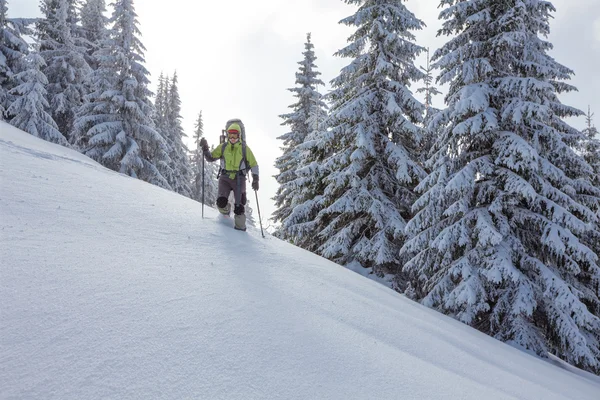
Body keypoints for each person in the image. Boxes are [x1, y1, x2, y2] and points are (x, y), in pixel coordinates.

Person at [200, 120, 259, 231]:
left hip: (239, 179)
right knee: (221, 202)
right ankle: (226, 213)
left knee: (239, 207)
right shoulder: (223, 147)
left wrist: (256, 179)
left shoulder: (244, 148)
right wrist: (205, 148)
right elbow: (210, 158)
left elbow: (254, 164)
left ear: (239, 136)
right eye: (230, 135)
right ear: (227, 135)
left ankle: (240, 231)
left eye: (235, 135)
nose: (232, 138)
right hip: (225, 178)